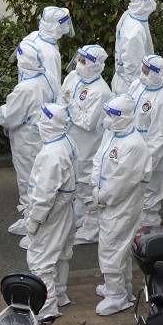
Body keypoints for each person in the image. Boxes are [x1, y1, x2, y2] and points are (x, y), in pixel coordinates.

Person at [93, 94, 152, 316]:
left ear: (125, 117)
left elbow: (123, 181)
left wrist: (104, 195)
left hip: (122, 204)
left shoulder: (134, 145)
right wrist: (94, 186)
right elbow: (98, 160)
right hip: (108, 202)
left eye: (111, 115)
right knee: (115, 246)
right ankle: (119, 288)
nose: (107, 119)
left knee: (112, 247)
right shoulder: (113, 134)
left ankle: (117, 297)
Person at [0, 41, 57, 235]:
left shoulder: (26, 88)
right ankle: (35, 218)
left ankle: (33, 223)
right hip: (43, 137)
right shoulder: (49, 77)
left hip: (27, 141)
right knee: (41, 179)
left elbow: (10, 115)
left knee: (28, 181)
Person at [25, 102, 78, 319]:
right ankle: (60, 293)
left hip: (52, 211)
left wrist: (36, 218)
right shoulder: (66, 140)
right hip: (65, 208)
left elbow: (45, 192)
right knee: (62, 253)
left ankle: (46, 308)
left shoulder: (51, 154)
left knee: (40, 260)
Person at [63, 45, 114, 245]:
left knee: (85, 183)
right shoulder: (73, 77)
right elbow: (63, 98)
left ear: (95, 65)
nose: (79, 64)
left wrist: (71, 104)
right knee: (73, 180)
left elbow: (87, 122)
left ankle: (93, 228)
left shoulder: (101, 91)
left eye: (84, 61)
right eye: (79, 59)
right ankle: (82, 218)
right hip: (70, 139)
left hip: (87, 144)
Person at [129, 55, 163, 227]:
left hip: (149, 156)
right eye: (142, 68)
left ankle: (149, 226)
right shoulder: (137, 86)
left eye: (146, 71)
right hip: (132, 150)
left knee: (149, 191)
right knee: (134, 191)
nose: (142, 73)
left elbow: (160, 137)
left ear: (157, 73)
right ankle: (136, 223)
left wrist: (148, 164)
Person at [10, 6, 74, 88]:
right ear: (57, 27)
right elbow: (53, 84)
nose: (67, 27)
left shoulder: (33, 35)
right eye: (65, 24)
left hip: (24, 88)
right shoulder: (50, 54)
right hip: (40, 96)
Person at [112, 0, 157, 94]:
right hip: (130, 88)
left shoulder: (129, 14)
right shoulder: (134, 30)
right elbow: (133, 68)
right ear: (143, 1)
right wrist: (138, 91)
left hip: (122, 82)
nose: (153, 1)